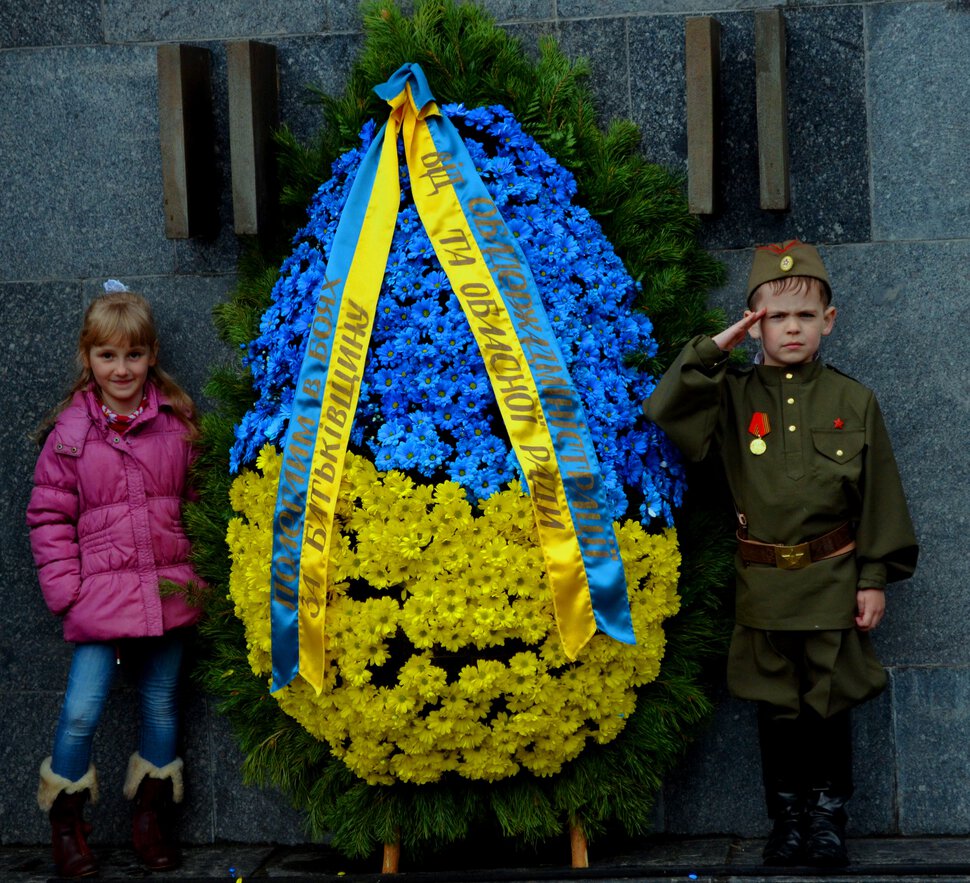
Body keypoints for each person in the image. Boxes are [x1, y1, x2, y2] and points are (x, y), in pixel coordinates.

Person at [644, 241, 918, 867]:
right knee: (777, 710)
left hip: (832, 578)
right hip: (764, 582)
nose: (791, 328)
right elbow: (666, 409)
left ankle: (826, 820)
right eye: (774, 316)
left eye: (805, 315)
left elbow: (879, 497)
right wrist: (718, 349)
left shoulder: (853, 402)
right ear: (754, 322)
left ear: (829, 320)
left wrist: (873, 578)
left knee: (828, 705)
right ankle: (787, 820)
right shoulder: (732, 397)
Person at [27, 282, 204, 878]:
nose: (121, 368)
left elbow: (201, 505)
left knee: (159, 706)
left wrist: (197, 577)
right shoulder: (72, 436)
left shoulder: (177, 426)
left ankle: (150, 820)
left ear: (151, 355)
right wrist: (68, 593)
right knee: (81, 711)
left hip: (166, 592)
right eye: (108, 356)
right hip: (99, 597)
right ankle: (67, 823)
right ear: (88, 358)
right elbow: (49, 516)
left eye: (133, 355)